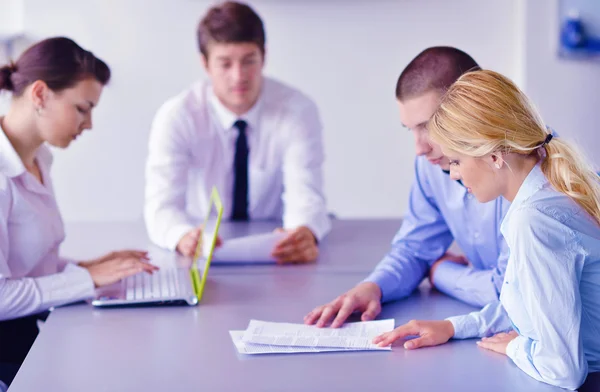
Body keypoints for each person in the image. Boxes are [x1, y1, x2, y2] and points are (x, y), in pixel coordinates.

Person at [373, 70, 600, 390]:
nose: (452, 175)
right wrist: (453, 326)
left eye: (455, 162)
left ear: (493, 156)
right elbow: (533, 307)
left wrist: (514, 347)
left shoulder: (533, 221)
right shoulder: (549, 188)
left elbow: (562, 369)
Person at [304, 47, 510, 329]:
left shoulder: (525, 168)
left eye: (428, 125)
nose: (419, 148)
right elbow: (416, 249)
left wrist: (441, 273)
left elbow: (510, 292)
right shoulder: (433, 163)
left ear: (474, 105)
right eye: (410, 129)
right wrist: (373, 287)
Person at [0, 37, 157, 386]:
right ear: (39, 95)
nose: (89, 125)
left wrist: (91, 267)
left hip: (27, 336)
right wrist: (87, 280)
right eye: (83, 108)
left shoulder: (39, 159)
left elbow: (24, 265)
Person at [144, 1, 330, 263]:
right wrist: (181, 235)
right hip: (201, 247)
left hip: (274, 249)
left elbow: (306, 193)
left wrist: (304, 231)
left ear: (264, 56)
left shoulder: (297, 110)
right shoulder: (177, 116)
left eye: (248, 61)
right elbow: (161, 205)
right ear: (205, 64)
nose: (238, 76)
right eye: (225, 63)